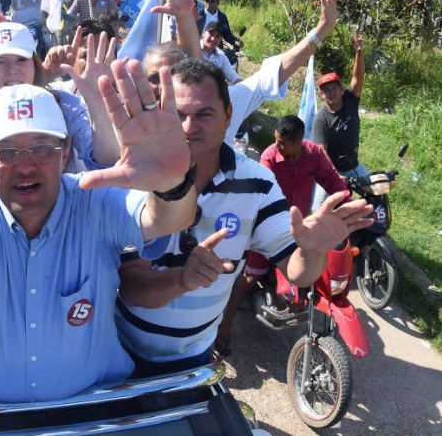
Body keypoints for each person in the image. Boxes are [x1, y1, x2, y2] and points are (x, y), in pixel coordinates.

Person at [0, 63, 200, 401]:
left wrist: (172, 184)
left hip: (91, 408)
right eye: (7, 151)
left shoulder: (95, 200)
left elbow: (166, 220)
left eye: (42, 147)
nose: (25, 165)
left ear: (66, 151)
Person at [115, 58, 374, 374]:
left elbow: (298, 272)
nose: (188, 128)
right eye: (178, 114)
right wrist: (182, 279)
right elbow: (129, 287)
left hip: (195, 357)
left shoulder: (258, 183)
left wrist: (313, 250)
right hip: (119, 350)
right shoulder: (137, 174)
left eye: (204, 115)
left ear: (228, 116)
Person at [152, 0, 343, 146]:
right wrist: (183, 18)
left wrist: (323, 28)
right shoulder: (143, 134)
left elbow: (273, 73)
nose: (165, 85)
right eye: (154, 77)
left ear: (228, 115)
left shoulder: (227, 101)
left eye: (204, 115)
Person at [215, 114, 353, 354]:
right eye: (276, 140)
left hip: (299, 228)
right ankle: (224, 327)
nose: (276, 146)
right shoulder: (269, 157)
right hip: (267, 226)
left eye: (282, 143)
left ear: (298, 142)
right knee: (250, 277)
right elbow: (263, 190)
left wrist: (348, 204)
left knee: (313, 269)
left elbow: (332, 181)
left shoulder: (314, 155)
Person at [0, 22, 120, 172]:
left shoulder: (65, 105)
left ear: (34, 65)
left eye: (21, 59)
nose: (12, 70)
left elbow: (106, 164)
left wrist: (95, 101)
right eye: (0, 62)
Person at [311, 32, 366, 210]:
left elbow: (358, 77)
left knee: (377, 192)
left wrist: (359, 51)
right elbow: (322, 152)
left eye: (334, 88)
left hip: (354, 166)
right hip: (331, 171)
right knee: (317, 209)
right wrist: (335, 175)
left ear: (341, 89)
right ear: (322, 95)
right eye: (326, 90)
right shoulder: (321, 119)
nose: (331, 92)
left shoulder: (350, 99)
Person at [200, 21, 241, 85]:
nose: (213, 38)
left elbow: (233, 76)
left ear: (221, 38)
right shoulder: (193, 48)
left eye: (217, 36)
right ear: (204, 32)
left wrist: (244, 87)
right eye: (211, 33)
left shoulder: (221, 55)